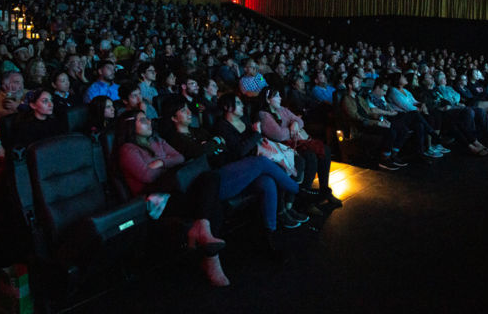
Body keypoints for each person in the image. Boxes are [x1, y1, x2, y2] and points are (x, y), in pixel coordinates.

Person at [114, 110, 229, 286]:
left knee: (211, 178)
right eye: (143, 120)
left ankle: (203, 231)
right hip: (157, 199)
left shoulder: (156, 140)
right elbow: (147, 176)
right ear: (130, 126)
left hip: (175, 188)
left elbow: (180, 157)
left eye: (149, 119)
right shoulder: (128, 149)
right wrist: (167, 161)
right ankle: (211, 259)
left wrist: (161, 162)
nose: (149, 122)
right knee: (210, 203)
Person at [164, 98, 301, 242]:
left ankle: (270, 234)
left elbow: (220, 146)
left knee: (267, 182)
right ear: (174, 118)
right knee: (261, 162)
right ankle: (296, 188)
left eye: (188, 108)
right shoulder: (175, 139)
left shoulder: (199, 131)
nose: (189, 112)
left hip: (232, 169)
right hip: (212, 182)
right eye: (183, 110)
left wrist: (211, 145)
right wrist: (212, 145)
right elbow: (201, 152)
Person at [256, 88, 342, 206]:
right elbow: (279, 135)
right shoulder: (264, 115)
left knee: (325, 150)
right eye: (276, 96)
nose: (280, 98)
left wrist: (295, 123)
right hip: (283, 146)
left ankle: (324, 190)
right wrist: (292, 129)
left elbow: (300, 121)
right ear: (267, 99)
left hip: (296, 141)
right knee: (310, 156)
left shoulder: (282, 109)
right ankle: (304, 199)